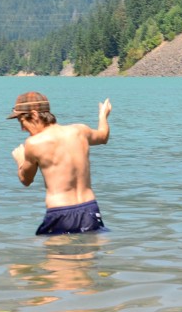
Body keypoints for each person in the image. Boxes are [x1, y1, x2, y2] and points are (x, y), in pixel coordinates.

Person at [9, 91, 112, 235]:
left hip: (60, 212)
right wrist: (103, 115)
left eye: (22, 122)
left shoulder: (34, 143)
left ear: (34, 115)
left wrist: (20, 160)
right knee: (87, 256)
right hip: (90, 209)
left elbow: (26, 180)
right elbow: (103, 137)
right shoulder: (79, 130)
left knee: (56, 256)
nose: (22, 128)